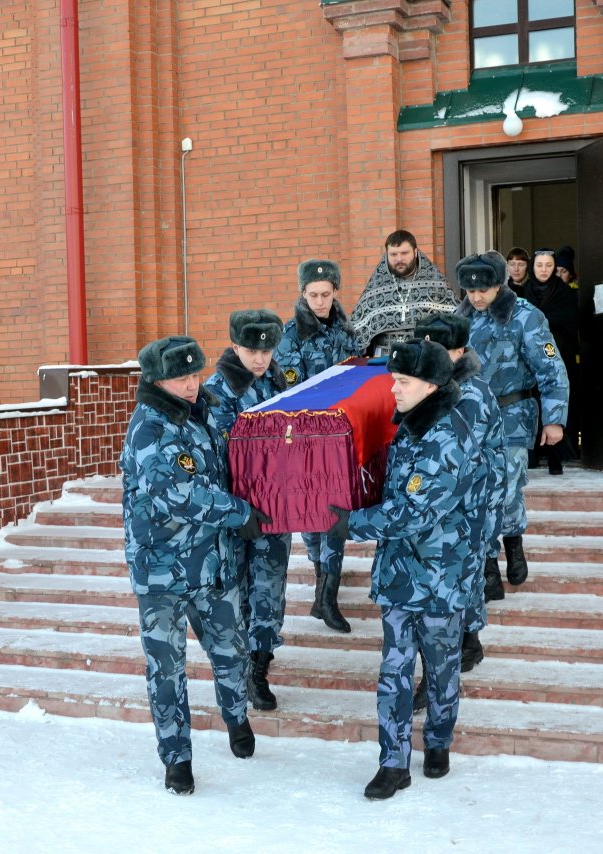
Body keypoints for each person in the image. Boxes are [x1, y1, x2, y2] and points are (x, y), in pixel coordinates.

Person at [326, 339, 478, 800]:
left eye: (402, 381)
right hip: (399, 577)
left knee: (441, 668)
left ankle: (437, 742)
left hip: (438, 577)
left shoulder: (447, 436)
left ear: (430, 385)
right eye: (393, 379)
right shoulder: (410, 427)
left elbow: (413, 513)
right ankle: (392, 763)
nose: (393, 389)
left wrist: (353, 522)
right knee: (393, 672)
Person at [119, 335, 269, 795]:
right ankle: (177, 758)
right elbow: (178, 493)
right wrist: (240, 513)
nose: (190, 384)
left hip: (211, 563)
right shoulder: (149, 428)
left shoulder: (202, 413)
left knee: (231, 649)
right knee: (166, 669)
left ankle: (236, 717)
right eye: (179, 377)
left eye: (194, 374)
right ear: (155, 380)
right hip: (161, 572)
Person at [455, 251, 569, 588]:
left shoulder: (525, 317)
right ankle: (488, 566)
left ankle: (514, 544)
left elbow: (551, 369)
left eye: (483, 291)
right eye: (469, 291)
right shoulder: (458, 320)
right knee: (477, 493)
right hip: (470, 419)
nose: (476, 297)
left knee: (506, 490)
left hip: (513, 416)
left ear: (498, 286)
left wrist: (555, 420)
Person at [204, 310, 291, 711]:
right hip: (236, 511)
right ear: (235, 346)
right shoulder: (214, 391)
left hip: (275, 508)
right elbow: (213, 459)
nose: (260, 358)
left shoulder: (281, 380)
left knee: (269, 589)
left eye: (267, 349)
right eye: (252, 350)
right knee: (235, 591)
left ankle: (260, 669)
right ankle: (236, 669)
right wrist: (233, 511)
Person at [275, 260, 362, 633]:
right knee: (310, 518)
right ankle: (319, 580)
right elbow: (292, 392)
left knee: (333, 513)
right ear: (302, 293)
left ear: (336, 292)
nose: (320, 301)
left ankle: (328, 595)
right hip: (305, 440)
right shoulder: (289, 336)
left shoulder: (347, 332)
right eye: (313, 295)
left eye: (326, 294)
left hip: (340, 438)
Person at [414, 312, 504, 672]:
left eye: (443, 350)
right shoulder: (426, 385)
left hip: (472, 497)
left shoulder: (472, 393)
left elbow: (464, 455)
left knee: (466, 566)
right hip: (441, 497)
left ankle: (470, 639)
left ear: (460, 351)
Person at [350, 229, 457, 355]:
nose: (399, 259)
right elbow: (356, 331)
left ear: (415, 252)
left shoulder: (436, 285)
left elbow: (455, 322)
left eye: (404, 253)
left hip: (423, 359)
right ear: (386, 255)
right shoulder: (375, 287)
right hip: (383, 362)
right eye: (393, 254)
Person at [523, 248, 580, 475]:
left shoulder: (565, 293)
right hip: (527, 360)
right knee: (533, 404)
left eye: (548, 265)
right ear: (532, 267)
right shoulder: (522, 293)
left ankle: (557, 457)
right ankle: (533, 454)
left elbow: (571, 323)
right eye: (539, 265)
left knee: (554, 403)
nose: (544, 270)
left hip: (559, 357)